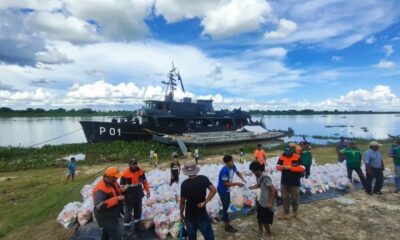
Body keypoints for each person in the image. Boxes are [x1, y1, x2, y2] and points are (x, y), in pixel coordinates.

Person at [180, 160, 217, 240]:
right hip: (201, 213)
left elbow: (182, 203)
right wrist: (205, 202)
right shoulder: (203, 179)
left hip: (189, 214)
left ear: (186, 171)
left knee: (192, 236)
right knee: (208, 235)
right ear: (195, 169)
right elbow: (213, 190)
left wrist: (181, 215)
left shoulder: (184, 184)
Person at [93, 167, 126, 240]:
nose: (117, 179)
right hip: (105, 216)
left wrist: (122, 189)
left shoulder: (113, 182)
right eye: (115, 177)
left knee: (106, 232)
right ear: (109, 177)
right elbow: (99, 206)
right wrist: (116, 199)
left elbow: (115, 191)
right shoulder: (100, 189)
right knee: (116, 234)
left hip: (113, 212)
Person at [217, 155, 245, 233]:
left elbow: (237, 172)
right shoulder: (224, 171)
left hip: (227, 190)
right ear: (226, 163)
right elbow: (225, 183)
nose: (232, 162)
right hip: (222, 190)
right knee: (226, 207)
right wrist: (237, 183)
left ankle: (225, 220)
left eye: (232, 160)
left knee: (227, 205)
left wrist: (242, 178)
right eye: (230, 161)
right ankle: (227, 226)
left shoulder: (233, 166)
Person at [120, 159, 151, 231]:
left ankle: (137, 226)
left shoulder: (141, 172)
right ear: (129, 165)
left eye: (135, 164)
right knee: (128, 214)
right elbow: (121, 187)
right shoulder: (125, 174)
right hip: (129, 197)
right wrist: (123, 195)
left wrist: (148, 191)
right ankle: (127, 229)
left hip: (138, 195)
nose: (134, 165)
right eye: (132, 164)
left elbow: (145, 182)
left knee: (138, 211)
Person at [249, 161, 277, 240]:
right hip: (261, 201)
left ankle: (269, 234)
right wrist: (249, 188)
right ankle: (260, 230)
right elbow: (259, 185)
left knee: (265, 221)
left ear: (257, 170)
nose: (253, 173)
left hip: (266, 203)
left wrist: (270, 202)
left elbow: (273, 189)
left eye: (253, 171)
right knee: (259, 217)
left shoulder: (265, 177)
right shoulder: (258, 176)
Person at [276, 145, 304, 220]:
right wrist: (282, 167)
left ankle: (295, 212)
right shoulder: (282, 156)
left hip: (294, 183)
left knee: (295, 199)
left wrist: (290, 168)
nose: (287, 153)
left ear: (291, 151)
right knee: (285, 198)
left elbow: (302, 168)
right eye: (285, 151)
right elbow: (278, 166)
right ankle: (286, 212)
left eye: (288, 151)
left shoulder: (297, 157)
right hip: (284, 182)